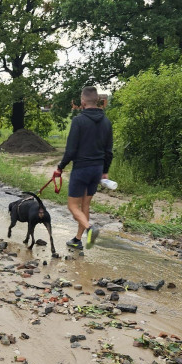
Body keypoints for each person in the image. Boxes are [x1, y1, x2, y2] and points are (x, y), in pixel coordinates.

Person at [55, 86, 113, 250]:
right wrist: (105, 171)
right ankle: (77, 240)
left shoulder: (78, 121)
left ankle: (89, 229)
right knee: (85, 206)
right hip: (97, 169)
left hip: (81, 169)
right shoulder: (107, 122)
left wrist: (60, 167)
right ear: (98, 101)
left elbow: (71, 150)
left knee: (72, 206)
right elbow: (109, 151)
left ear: (82, 101)